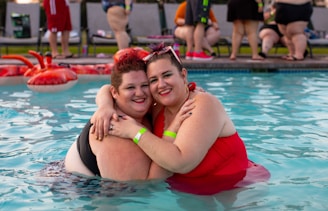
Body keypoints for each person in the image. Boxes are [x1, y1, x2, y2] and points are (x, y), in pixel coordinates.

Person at [94, 44, 270, 195]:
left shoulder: (202, 104)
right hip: (188, 193)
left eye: (167, 75)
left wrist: (134, 131)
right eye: (153, 80)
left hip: (233, 190)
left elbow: (180, 163)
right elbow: (110, 87)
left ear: (183, 75)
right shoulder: (158, 107)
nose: (161, 84)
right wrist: (105, 106)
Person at [64, 48, 193, 181]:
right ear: (115, 93)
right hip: (79, 189)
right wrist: (173, 129)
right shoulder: (114, 130)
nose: (139, 93)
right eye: (130, 87)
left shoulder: (137, 109)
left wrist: (105, 106)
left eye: (145, 85)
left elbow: (106, 89)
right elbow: (148, 185)